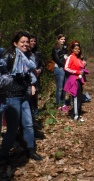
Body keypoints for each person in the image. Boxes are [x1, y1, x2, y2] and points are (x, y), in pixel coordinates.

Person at [0, 31, 42, 161]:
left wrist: (32, 84)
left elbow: (30, 75)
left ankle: (30, 151)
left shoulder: (28, 57)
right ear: (15, 43)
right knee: (12, 128)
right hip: (11, 97)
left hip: (24, 96)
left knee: (28, 124)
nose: (25, 44)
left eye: (27, 42)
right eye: (22, 42)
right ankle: (3, 154)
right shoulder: (9, 56)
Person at [64, 41, 87, 121]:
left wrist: (83, 65)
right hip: (74, 79)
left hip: (79, 79)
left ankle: (77, 113)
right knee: (76, 97)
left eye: (78, 49)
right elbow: (66, 68)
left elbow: (81, 67)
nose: (77, 50)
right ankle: (75, 115)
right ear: (72, 49)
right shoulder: (70, 57)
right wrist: (76, 72)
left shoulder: (78, 57)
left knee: (79, 97)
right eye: (75, 49)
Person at [51, 34, 69, 112]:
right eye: (61, 39)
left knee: (64, 87)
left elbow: (67, 58)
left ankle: (63, 103)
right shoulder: (55, 48)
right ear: (58, 40)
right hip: (59, 69)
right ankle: (58, 104)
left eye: (64, 39)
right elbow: (56, 59)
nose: (63, 41)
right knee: (60, 87)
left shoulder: (65, 48)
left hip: (65, 69)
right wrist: (63, 65)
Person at [29, 34, 44, 118]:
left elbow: (42, 65)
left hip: (36, 78)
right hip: (28, 78)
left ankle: (35, 113)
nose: (33, 43)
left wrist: (40, 70)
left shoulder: (37, 53)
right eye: (31, 41)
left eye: (35, 41)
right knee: (29, 97)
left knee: (35, 96)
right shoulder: (25, 53)